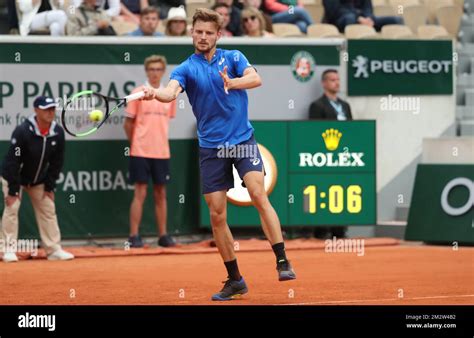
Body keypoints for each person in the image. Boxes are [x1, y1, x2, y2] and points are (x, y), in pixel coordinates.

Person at [141, 8, 296, 301]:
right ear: (192, 33)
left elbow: (255, 79)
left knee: (257, 193)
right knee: (216, 215)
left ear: (218, 35)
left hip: (242, 140)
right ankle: (235, 279)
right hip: (211, 148)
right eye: (198, 32)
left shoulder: (234, 57)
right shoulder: (186, 68)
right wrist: (155, 93)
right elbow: (171, 92)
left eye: (208, 33)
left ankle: (282, 260)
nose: (202, 37)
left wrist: (233, 82)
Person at [0, 96, 74, 263]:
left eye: (52, 109)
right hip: (14, 177)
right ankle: (7, 250)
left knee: (48, 209)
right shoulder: (23, 131)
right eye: (46, 109)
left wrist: (49, 187)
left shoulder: (58, 132)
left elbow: (57, 163)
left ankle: (54, 250)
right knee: (12, 208)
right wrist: (13, 190)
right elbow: (13, 161)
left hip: (38, 180)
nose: (50, 112)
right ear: (36, 110)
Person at [124, 55, 177, 248]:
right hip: (140, 152)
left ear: (163, 72)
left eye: (158, 69)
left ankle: (163, 235)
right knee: (140, 192)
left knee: (161, 194)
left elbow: (165, 122)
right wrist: (137, 144)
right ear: (147, 71)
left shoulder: (168, 95)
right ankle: (134, 236)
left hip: (162, 152)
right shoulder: (137, 93)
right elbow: (128, 124)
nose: (155, 73)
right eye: (151, 69)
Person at [308, 69, 352, 239]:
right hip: (324, 158)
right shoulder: (317, 106)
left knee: (343, 190)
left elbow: (353, 130)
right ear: (324, 83)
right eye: (333, 80)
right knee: (323, 191)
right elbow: (313, 132)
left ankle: (340, 230)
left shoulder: (345, 105)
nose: (337, 83)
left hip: (343, 157)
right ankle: (320, 230)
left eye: (338, 79)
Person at [323, 0, 403, 32]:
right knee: (350, 19)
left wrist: (367, 18)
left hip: (364, 19)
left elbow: (368, 7)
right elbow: (335, 11)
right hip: (339, 21)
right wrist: (358, 18)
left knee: (396, 20)